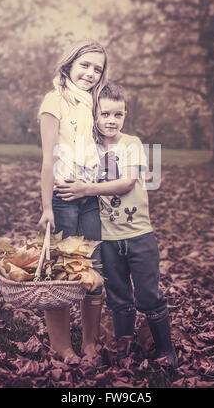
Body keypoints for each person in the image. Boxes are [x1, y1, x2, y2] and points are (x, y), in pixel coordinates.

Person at [56, 82, 178, 367]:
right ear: (94, 116)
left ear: (125, 115)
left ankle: (165, 348)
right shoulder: (88, 149)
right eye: (105, 114)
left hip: (139, 234)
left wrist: (86, 189)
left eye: (118, 114)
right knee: (119, 297)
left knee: (148, 295)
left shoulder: (131, 144)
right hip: (107, 239)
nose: (111, 120)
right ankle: (124, 348)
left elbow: (126, 183)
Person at [37, 39, 108, 362]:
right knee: (63, 272)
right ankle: (62, 346)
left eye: (98, 68)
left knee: (94, 270)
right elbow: (48, 159)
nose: (91, 73)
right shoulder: (55, 101)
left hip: (89, 197)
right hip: (64, 197)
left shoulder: (93, 104)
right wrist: (48, 206)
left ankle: (90, 343)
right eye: (85, 65)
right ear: (68, 65)